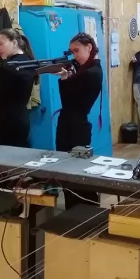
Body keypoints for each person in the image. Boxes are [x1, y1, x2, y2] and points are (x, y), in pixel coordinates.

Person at [55, 32, 103, 209]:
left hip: (76, 127)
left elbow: (70, 102)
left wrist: (65, 78)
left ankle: (84, 212)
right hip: (72, 124)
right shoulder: (87, 69)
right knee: (69, 177)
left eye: (77, 50)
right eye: (72, 51)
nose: (74, 55)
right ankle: (75, 211)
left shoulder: (91, 72)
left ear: (89, 47)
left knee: (76, 178)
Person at [0, 28, 37, 148]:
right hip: (7, 119)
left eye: (1, 44)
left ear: (14, 43)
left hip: (10, 123)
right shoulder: (16, 63)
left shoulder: (18, 64)